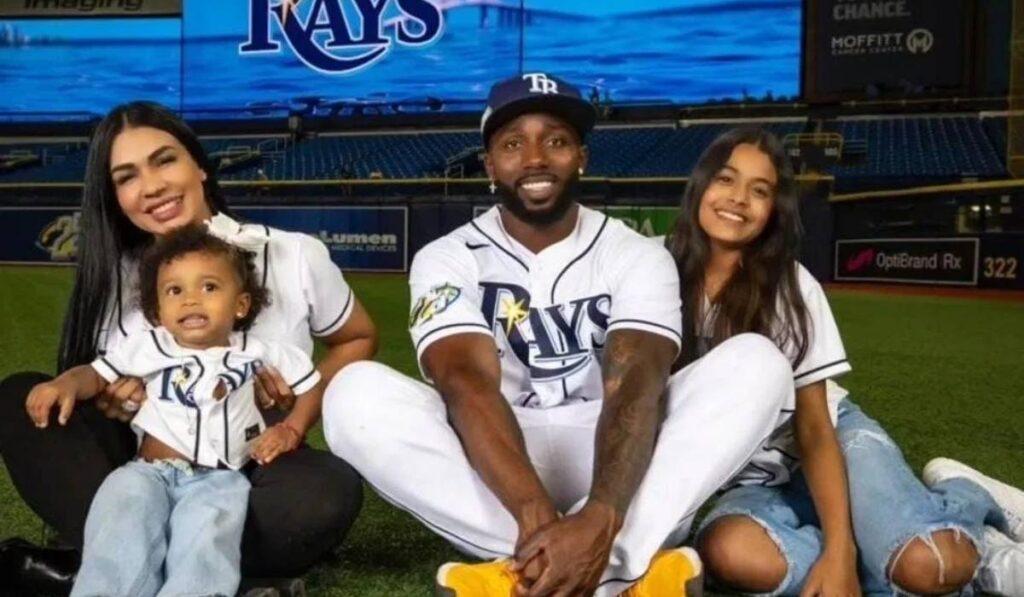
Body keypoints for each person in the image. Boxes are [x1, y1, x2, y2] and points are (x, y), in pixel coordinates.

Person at [321, 72, 796, 596]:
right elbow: (464, 382)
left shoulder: (635, 252)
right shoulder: (447, 257)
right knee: (351, 392)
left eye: (556, 141)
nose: (535, 158)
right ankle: (620, 571)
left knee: (759, 363)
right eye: (512, 144)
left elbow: (637, 382)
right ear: (489, 166)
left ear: (581, 157)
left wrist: (602, 513)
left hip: (614, 452)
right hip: (498, 456)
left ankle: (528, 574)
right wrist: (535, 513)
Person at [0, 101, 376, 593]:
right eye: (127, 177)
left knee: (326, 491)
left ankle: (106, 570)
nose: (152, 186)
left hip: (246, 468)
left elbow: (357, 337)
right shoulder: (113, 278)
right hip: (142, 470)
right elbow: (101, 379)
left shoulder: (292, 253)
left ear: (199, 165)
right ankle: (200, 575)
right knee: (24, 400)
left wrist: (291, 421)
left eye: (165, 160)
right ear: (115, 197)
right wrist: (110, 400)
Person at [666, 126, 1024, 596]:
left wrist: (838, 550)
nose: (738, 198)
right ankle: (893, 553)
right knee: (731, 554)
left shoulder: (790, 286)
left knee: (928, 566)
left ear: (774, 211)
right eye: (726, 179)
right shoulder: (655, 270)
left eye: (760, 190)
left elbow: (815, 428)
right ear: (701, 183)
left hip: (834, 443)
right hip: (756, 480)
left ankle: (969, 503)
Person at [28, 224, 323, 596]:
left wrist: (291, 429)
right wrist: (66, 383)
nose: (191, 300)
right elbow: (97, 374)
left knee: (206, 544)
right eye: (175, 290)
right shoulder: (151, 346)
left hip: (219, 479)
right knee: (120, 528)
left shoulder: (258, 350)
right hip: (146, 471)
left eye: (209, 287)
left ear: (241, 304)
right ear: (158, 311)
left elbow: (311, 386)